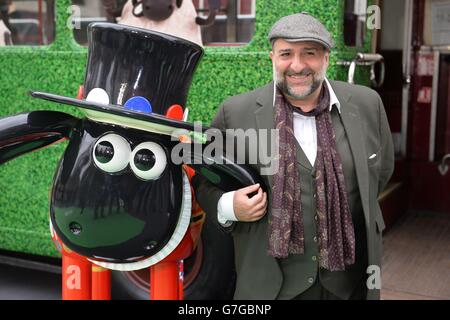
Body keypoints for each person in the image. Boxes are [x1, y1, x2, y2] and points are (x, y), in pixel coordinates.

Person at [192, 12, 394, 300]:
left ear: (326, 58)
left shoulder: (367, 105)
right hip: (269, 290)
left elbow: (380, 172)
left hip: (348, 287)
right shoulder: (235, 113)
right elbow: (204, 182)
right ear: (272, 58)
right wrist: (229, 206)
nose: (297, 65)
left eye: (308, 53)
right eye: (287, 53)